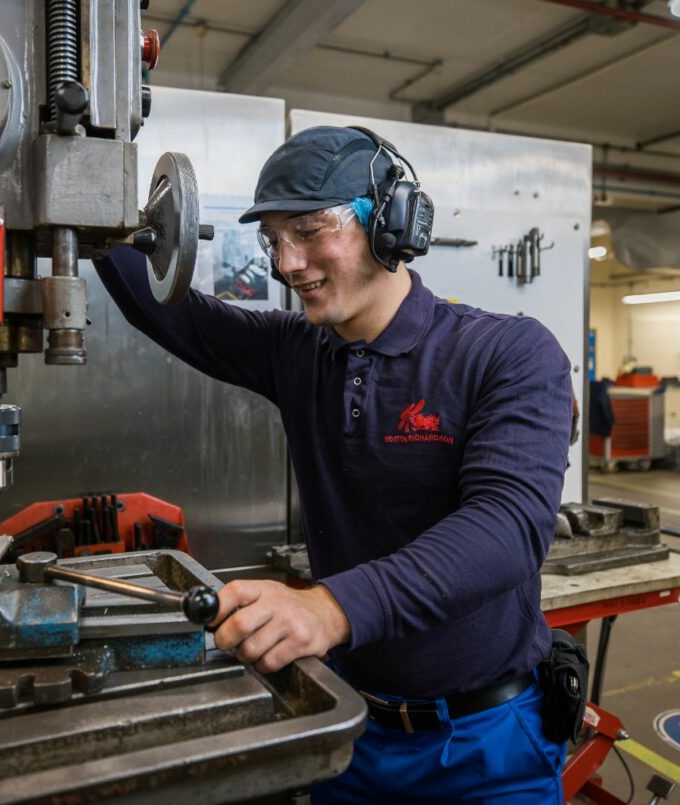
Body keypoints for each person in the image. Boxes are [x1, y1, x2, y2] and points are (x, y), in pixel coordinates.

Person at [94, 126, 573, 803]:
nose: (289, 263)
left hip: (485, 744)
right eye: (275, 241)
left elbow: (509, 527)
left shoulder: (508, 353)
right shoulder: (300, 352)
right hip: (352, 732)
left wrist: (332, 606)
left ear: (391, 222)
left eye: (312, 231)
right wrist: (82, 208)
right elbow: (173, 313)